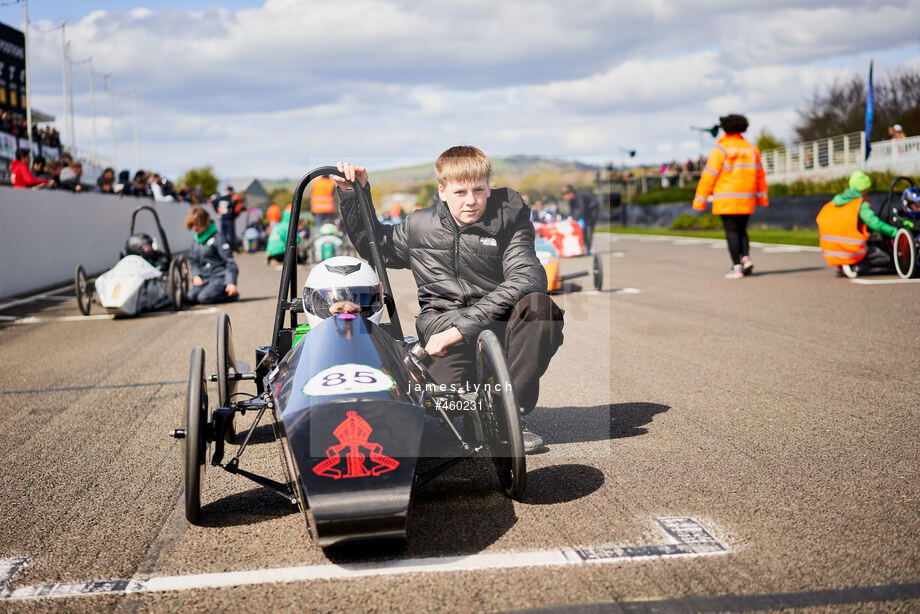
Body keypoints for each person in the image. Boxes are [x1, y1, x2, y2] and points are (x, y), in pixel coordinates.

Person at [333, 146, 565, 454]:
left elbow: (528, 278)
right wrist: (354, 195)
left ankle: (506, 413)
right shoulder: (418, 226)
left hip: (495, 325)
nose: (471, 200)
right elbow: (375, 245)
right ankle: (477, 412)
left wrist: (458, 330)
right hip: (441, 328)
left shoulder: (511, 220)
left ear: (489, 187)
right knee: (445, 410)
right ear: (442, 191)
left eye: (479, 190)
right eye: (460, 192)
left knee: (540, 308)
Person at [693, 114, 768, 278]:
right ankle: (746, 258)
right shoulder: (751, 148)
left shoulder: (721, 149)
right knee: (742, 230)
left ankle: (736, 266)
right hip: (746, 196)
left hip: (727, 197)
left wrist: (700, 200)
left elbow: (709, 175)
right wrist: (762, 198)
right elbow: (760, 175)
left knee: (731, 231)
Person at [816, 170, 898, 278]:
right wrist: (894, 232)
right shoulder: (859, 203)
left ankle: (842, 265)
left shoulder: (835, 202)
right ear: (864, 189)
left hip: (830, 251)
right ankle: (855, 264)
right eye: (867, 189)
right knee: (886, 258)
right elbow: (875, 224)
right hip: (849, 250)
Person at [184, 206, 239, 303]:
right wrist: (196, 276)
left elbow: (230, 262)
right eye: (193, 225)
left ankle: (230, 295)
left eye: (197, 224)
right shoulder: (196, 240)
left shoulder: (217, 237)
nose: (194, 228)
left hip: (219, 277)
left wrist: (231, 282)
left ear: (205, 222)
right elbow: (193, 261)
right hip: (204, 278)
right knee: (190, 297)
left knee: (204, 298)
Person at [561, 184, 600, 253]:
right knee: (582, 229)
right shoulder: (571, 200)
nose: (564, 196)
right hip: (586, 211)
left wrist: (575, 219)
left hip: (592, 210)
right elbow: (573, 210)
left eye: (565, 194)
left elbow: (582, 209)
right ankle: (583, 246)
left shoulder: (580, 197)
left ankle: (588, 248)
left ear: (571, 193)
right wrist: (571, 217)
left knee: (588, 227)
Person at [211, 186, 242, 252]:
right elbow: (235, 207)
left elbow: (213, 202)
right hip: (229, 218)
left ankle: (224, 247)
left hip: (223, 217)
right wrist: (234, 213)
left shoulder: (220, 198)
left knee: (223, 234)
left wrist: (217, 211)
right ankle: (231, 248)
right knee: (230, 234)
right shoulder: (231, 198)